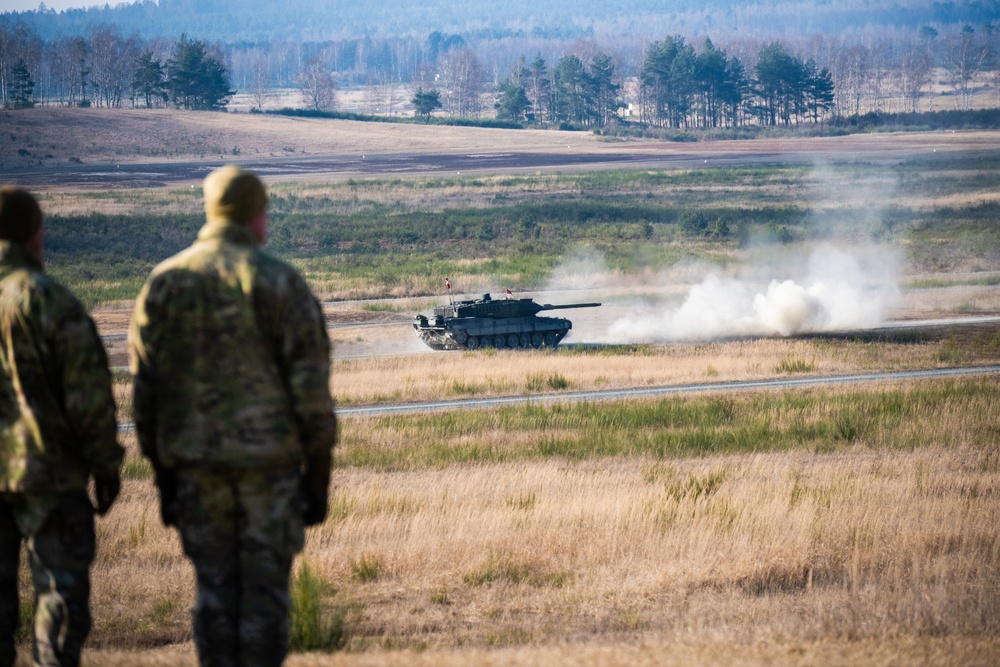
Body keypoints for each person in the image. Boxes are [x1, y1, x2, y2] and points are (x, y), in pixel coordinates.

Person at [129, 165, 337, 667]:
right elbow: (312, 395)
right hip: (270, 472)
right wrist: (318, 480)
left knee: (215, 595)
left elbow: (145, 395)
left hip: (196, 472)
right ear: (256, 215)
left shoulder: (164, 283)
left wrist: (164, 477)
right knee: (264, 600)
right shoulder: (281, 282)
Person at [0, 186, 123, 667]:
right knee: (59, 606)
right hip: (49, 479)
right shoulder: (53, 303)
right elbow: (89, 400)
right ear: (36, 236)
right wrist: (106, 467)